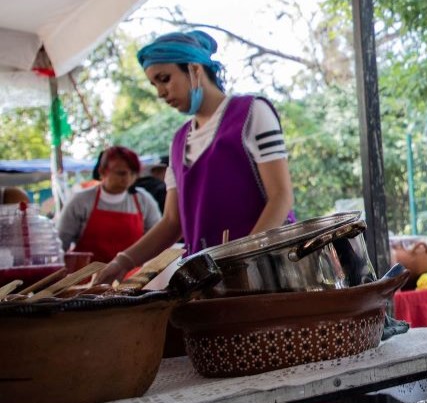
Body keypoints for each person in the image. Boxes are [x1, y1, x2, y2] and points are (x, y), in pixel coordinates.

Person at [97, 30, 294, 280]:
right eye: (154, 84)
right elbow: (172, 221)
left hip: (268, 273)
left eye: (164, 78)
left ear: (195, 70)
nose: (160, 92)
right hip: (212, 282)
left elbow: (281, 197)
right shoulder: (178, 142)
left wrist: (243, 259)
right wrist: (122, 262)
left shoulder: (252, 113)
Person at [56, 145, 161, 264]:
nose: (128, 178)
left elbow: (157, 240)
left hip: (133, 278)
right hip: (87, 278)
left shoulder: (144, 200)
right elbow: (60, 244)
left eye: (133, 174)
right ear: (102, 171)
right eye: (121, 173)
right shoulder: (80, 201)